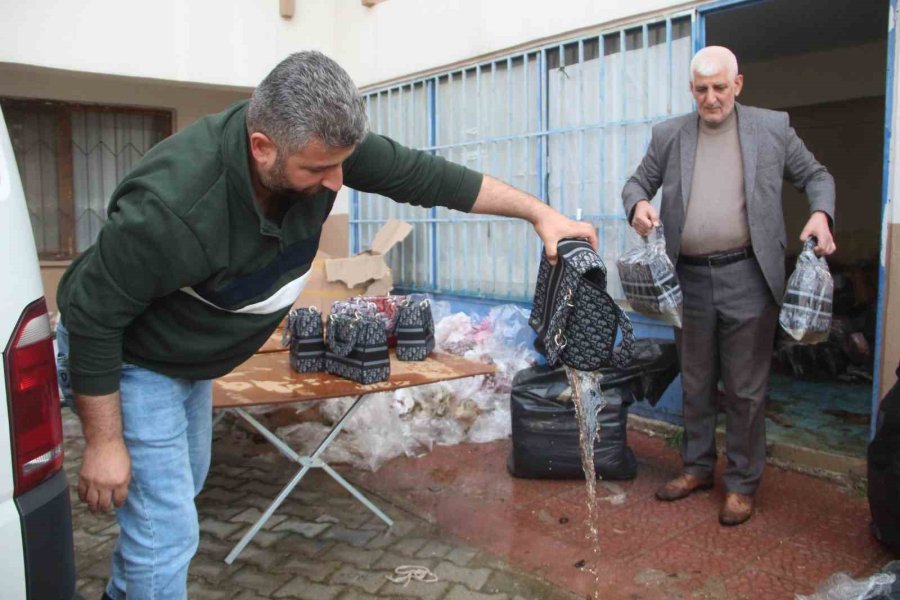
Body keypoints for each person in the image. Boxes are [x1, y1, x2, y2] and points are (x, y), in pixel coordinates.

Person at [56, 51, 596, 600]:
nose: (337, 181)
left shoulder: (321, 146)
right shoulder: (172, 208)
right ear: (261, 147)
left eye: (342, 164)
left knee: (176, 493)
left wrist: (539, 214)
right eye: (318, 170)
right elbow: (94, 314)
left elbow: (430, 178)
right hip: (136, 355)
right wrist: (103, 443)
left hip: (190, 356)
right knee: (165, 530)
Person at [621, 46, 836, 526]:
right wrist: (636, 205)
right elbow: (636, 184)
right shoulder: (670, 135)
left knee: (745, 388)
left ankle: (741, 484)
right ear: (692, 90)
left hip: (748, 277)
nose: (711, 98)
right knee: (695, 382)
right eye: (702, 89)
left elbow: (815, 176)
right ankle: (696, 468)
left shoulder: (772, 128)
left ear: (738, 84)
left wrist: (821, 214)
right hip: (688, 279)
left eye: (720, 87)